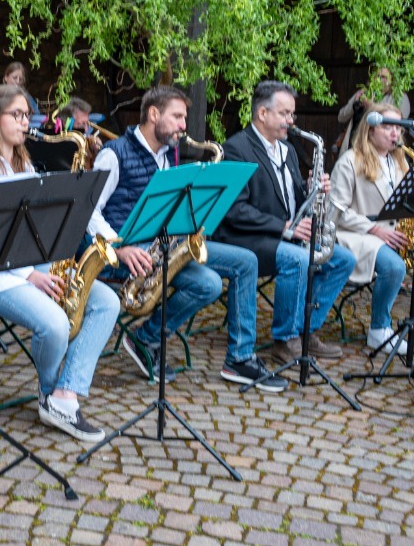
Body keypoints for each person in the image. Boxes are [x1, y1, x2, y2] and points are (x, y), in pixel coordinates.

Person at [0, 85, 120, 442]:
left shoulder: (23, 162)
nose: (26, 122)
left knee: (107, 301)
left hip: (31, 265)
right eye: (17, 114)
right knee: (56, 323)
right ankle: (50, 393)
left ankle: (66, 392)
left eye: (27, 115)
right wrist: (31, 276)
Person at [91, 85, 284, 392]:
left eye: (184, 117)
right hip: (124, 253)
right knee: (207, 283)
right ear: (154, 114)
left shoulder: (170, 156)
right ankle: (149, 338)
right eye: (177, 116)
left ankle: (239, 358)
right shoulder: (113, 154)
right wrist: (120, 247)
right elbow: (90, 212)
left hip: (163, 246)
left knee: (245, 261)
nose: (184, 125)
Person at [215, 81, 357, 362]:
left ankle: (305, 330)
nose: (291, 121)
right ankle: (285, 339)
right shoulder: (236, 148)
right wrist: (284, 228)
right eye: (284, 114)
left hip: (284, 236)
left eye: (292, 114)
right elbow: (234, 210)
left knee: (343, 260)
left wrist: (313, 188)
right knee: (298, 260)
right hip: (247, 238)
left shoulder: (287, 150)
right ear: (263, 114)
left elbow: (291, 200)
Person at [330, 102, 414, 357]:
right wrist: (374, 230)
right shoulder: (350, 161)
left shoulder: (401, 162)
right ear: (369, 130)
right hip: (360, 235)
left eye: (399, 128)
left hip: (399, 236)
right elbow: (337, 212)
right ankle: (379, 329)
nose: (394, 133)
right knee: (394, 266)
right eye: (387, 127)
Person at [337, 66, 409, 150]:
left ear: (392, 79)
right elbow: (341, 117)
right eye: (376, 76)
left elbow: (400, 124)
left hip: (379, 149)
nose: (379, 80)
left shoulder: (400, 97)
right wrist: (354, 104)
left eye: (383, 77)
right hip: (354, 145)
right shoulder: (364, 93)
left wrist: (371, 107)